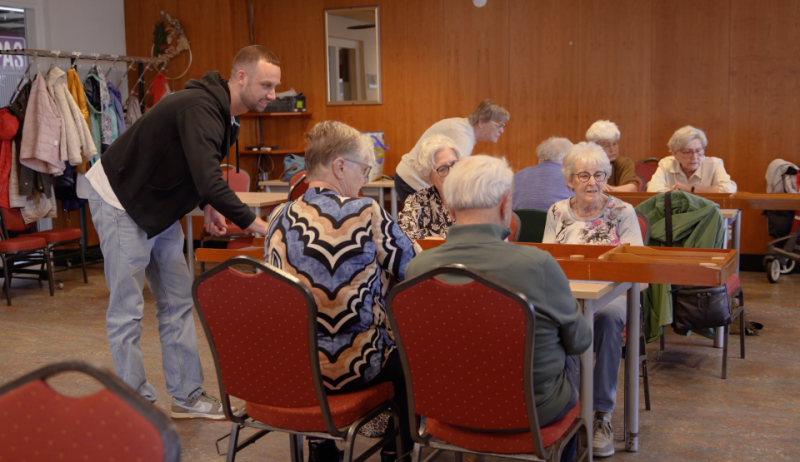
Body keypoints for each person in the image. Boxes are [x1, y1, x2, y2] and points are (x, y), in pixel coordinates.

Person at [86, 45, 280, 419]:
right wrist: (259, 225)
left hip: (158, 208)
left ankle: (187, 396)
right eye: (266, 85)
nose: (272, 94)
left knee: (177, 300)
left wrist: (207, 205)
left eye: (275, 86)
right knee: (127, 309)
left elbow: (201, 165)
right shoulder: (200, 108)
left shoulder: (227, 117)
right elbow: (209, 181)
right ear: (240, 77)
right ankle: (134, 403)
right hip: (120, 198)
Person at [406, 155, 591, 462]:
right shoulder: (538, 265)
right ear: (507, 205)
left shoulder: (417, 268)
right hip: (528, 412)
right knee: (574, 358)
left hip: (444, 409)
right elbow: (580, 341)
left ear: (450, 210)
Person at [265, 120, 419, 462]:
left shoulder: (278, 215)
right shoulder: (367, 212)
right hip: (357, 368)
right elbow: (416, 269)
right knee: (413, 363)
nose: (365, 179)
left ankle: (321, 445)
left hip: (294, 369)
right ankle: (398, 453)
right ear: (339, 166)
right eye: (364, 169)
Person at [542, 142, 643, 458]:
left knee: (610, 318)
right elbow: (547, 263)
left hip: (612, 295)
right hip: (567, 298)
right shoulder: (557, 211)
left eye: (599, 175)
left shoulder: (622, 212)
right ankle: (563, 406)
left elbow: (636, 273)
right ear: (569, 180)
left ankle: (601, 415)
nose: (592, 182)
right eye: (583, 175)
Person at [394, 99, 509, 204]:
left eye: (503, 125)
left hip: (410, 178)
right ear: (482, 122)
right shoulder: (463, 138)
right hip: (412, 181)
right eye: (498, 125)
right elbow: (455, 180)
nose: (502, 130)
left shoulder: (463, 128)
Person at [397, 134, 460, 239]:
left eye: (454, 163)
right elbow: (402, 235)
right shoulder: (419, 200)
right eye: (442, 168)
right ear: (429, 179)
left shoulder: (475, 197)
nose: (452, 172)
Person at [647, 125, 737, 193]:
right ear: (675, 153)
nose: (694, 157)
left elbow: (729, 188)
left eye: (698, 151)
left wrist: (691, 188)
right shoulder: (666, 164)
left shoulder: (714, 164)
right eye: (688, 152)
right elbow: (652, 188)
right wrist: (679, 194)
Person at [512, 136, 574, 210]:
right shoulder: (572, 179)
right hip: (559, 221)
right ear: (569, 158)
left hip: (522, 221)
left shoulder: (518, 176)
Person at [585, 120, 638, 193]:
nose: (612, 149)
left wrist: (604, 189)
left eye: (615, 144)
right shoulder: (583, 162)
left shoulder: (624, 163)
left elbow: (632, 189)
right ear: (594, 146)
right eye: (607, 145)